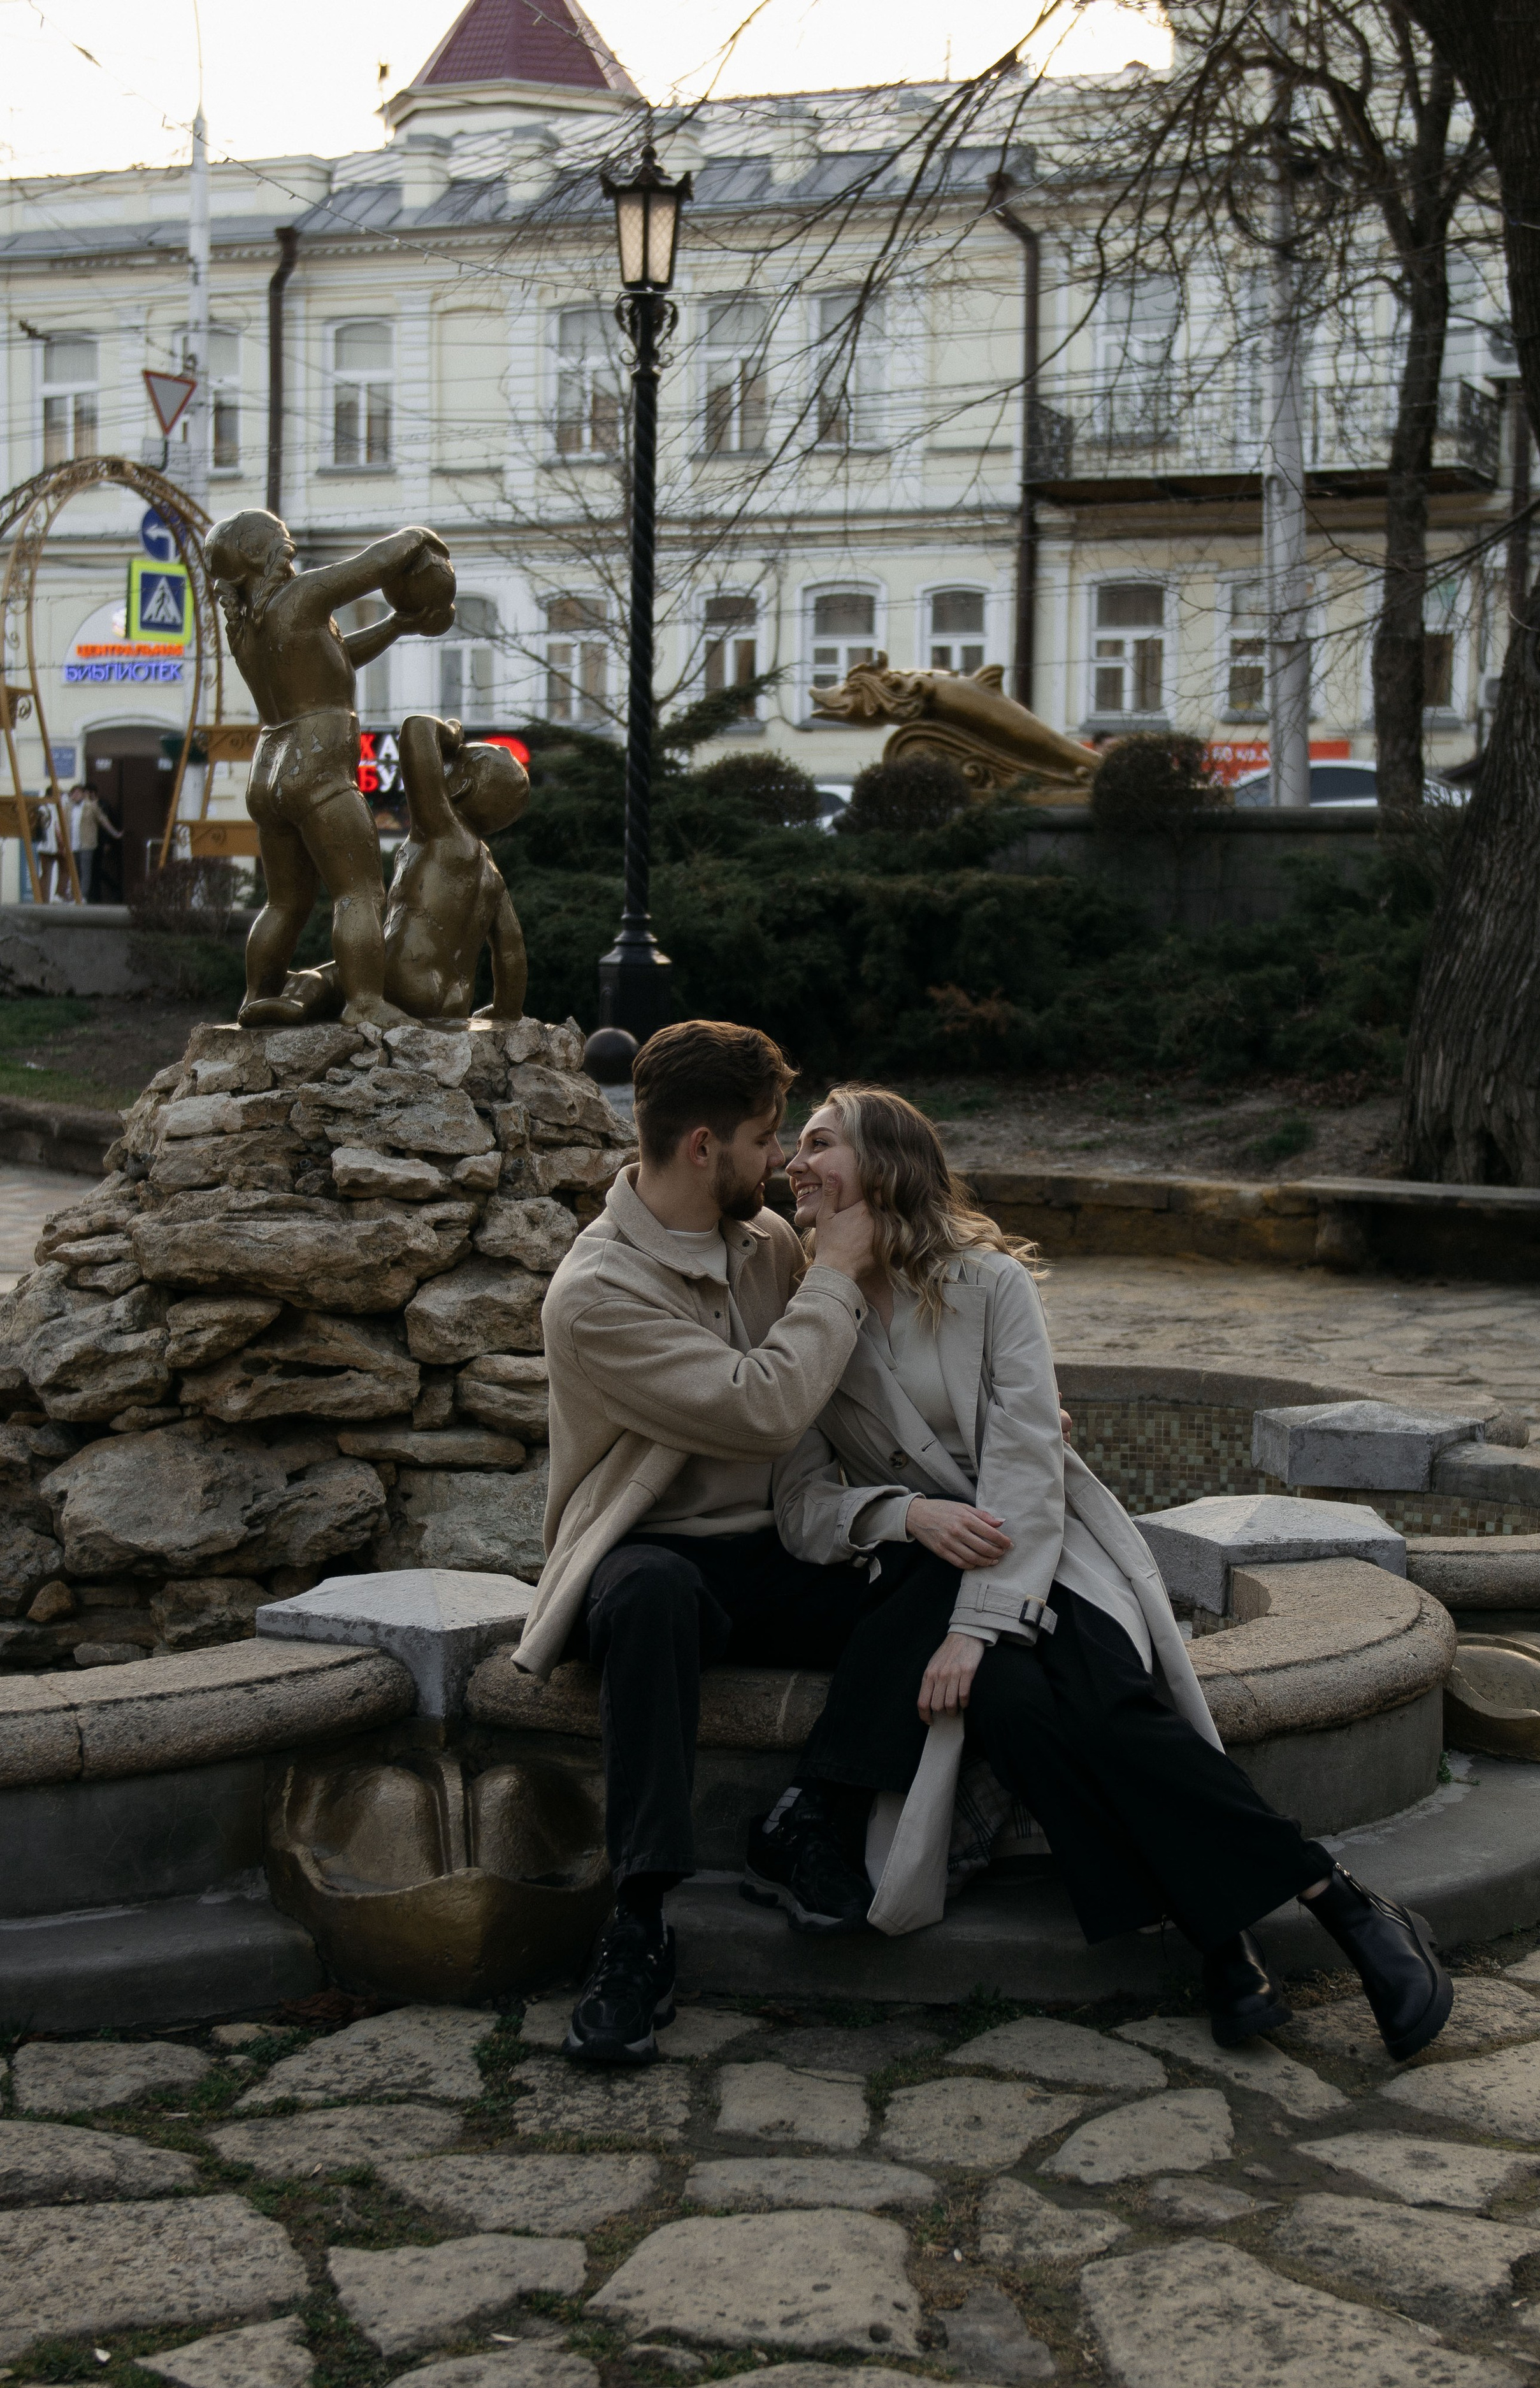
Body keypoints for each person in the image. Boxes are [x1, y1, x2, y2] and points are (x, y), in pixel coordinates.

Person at [760, 1085, 1453, 2064]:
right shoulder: (809, 1311)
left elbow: (1029, 1466)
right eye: (794, 1145)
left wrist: (975, 1625)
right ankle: (1242, 1927)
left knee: (1100, 1705)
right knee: (1020, 1712)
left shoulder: (990, 1284)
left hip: (1050, 1551)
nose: (795, 1161)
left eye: (819, 1143)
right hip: (924, 1570)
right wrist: (902, 1511)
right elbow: (799, 1505)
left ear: (884, 1164)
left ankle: (1328, 1906)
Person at [508, 1023, 965, 2065]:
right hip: (650, 1550)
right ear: (704, 1146)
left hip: (778, 1547)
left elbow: (854, 1379)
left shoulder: (765, 1244)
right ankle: (639, 1922)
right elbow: (763, 1408)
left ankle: (811, 1813)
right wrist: (839, 1273)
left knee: (938, 1557)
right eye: (767, 1139)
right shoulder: (595, 1294)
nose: (785, 1163)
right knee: (651, 1596)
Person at [203, 508, 454, 1029]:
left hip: (269, 765)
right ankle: (365, 1002)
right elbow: (375, 564)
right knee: (358, 890)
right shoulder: (302, 596)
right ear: (258, 553)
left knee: (285, 902)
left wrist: (399, 624)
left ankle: (258, 994)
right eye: (279, 540)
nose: (288, 546)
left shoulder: (245, 623)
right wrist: (418, 536)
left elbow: (333, 658)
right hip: (317, 763)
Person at [266, 716, 529, 1027]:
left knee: (329, 977)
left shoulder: (444, 833)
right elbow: (511, 949)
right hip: (454, 1001)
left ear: (460, 786)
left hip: (406, 979)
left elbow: (416, 729)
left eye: (451, 764)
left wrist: (449, 735)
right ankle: (297, 992)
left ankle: (297, 1000)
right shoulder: (491, 874)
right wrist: (507, 1008)